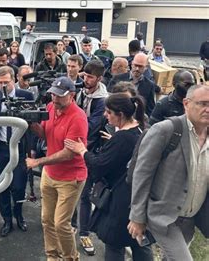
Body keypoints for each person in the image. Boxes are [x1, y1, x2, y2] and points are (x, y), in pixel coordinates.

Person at [65, 93, 153, 261]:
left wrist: (82, 150)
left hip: (120, 201)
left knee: (114, 244)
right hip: (138, 198)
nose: (105, 115)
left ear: (120, 114)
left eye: (108, 112)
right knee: (140, 242)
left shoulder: (122, 138)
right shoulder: (140, 129)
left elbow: (99, 166)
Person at [128, 84, 209, 261]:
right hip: (163, 216)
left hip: (189, 219)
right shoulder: (167, 130)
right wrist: (137, 217)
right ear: (186, 103)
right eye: (202, 104)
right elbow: (142, 174)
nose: (207, 109)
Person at [26, 76, 88, 261]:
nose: (55, 98)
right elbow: (45, 134)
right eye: (53, 94)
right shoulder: (52, 108)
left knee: (61, 223)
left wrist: (39, 162)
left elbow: (69, 153)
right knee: (47, 220)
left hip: (70, 177)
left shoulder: (78, 118)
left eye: (60, 96)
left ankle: (70, 258)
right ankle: (52, 256)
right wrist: (31, 122)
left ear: (72, 96)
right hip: (50, 174)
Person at [0, 66, 34, 237]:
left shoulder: (26, 96)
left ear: (14, 80)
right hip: (1, 148)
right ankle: (7, 219)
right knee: (2, 186)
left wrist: (31, 150)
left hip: (20, 148)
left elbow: (31, 126)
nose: (3, 86)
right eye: (0, 83)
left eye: (6, 83)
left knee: (19, 186)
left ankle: (19, 215)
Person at [74, 60, 108, 255]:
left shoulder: (102, 100)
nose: (86, 80)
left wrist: (74, 119)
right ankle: (72, 226)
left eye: (90, 77)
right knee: (72, 190)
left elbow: (91, 127)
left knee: (85, 195)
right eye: (84, 76)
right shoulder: (81, 92)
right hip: (76, 148)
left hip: (90, 151)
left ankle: (84, 233)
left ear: (99, 78)